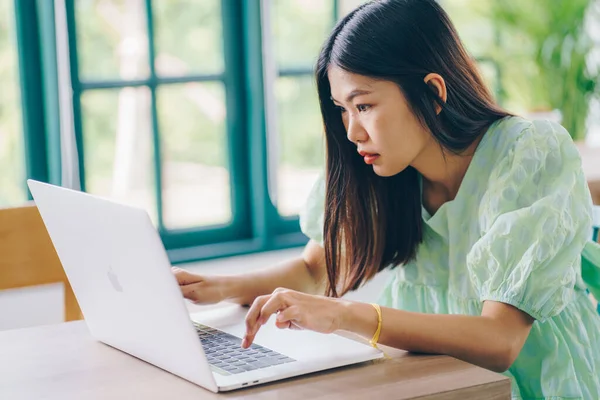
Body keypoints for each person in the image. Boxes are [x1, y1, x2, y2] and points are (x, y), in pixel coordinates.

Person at [173, 0, 600, 398]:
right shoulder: (384, 166)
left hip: (540, 384)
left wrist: (345, 315)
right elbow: (313, 271)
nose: (352, 132)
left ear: (433, 94)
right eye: (342, 108)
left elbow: (500, 339)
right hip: (437, 380)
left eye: (363, 106)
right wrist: (212, 288)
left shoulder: (529, 153)